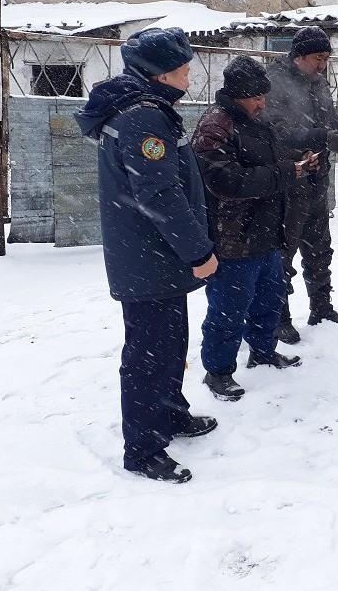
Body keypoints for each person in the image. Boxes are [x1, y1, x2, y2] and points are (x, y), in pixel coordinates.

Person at [75, 27, 220, 484]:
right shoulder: (143, 118)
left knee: (171, 343)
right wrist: (199, 251)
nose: (189, 76)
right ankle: (142, 448)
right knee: (147, 355)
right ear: (159, 74)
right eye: (182, 69)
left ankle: (171, 413)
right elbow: (159, 194)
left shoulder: (148, 109)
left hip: (157, 257)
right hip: (147, 259)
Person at [191, 56, 310, 400]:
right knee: (228, 309)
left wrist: (298, 157)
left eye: (264, 96)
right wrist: (289, 173)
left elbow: (266, 155)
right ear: (239, 93)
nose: (263, 103)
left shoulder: (254, 121)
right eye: (257, 96)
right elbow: (226, 180)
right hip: (234, 238)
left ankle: (263, 350)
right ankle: (218, 371)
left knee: (268, 300)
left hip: (266, 232)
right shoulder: (216, 126)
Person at [263, 27, 338, 344]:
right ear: (300, 55)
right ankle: (279, 318)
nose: (323, 65)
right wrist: (320, 138)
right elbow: (276, 133)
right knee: (282, 252)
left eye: (326, 58)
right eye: (318, 58)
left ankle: (322, 308)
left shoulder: (318, 82)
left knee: (319, 247)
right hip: (287, 178)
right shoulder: (273, 82)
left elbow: (330, 120)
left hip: (317, 176)